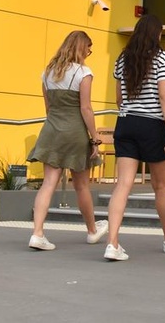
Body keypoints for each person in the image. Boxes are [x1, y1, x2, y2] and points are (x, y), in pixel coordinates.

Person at [103, 13, 165, 261]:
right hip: (153, 126)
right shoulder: (163, 57)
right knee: (160, 186)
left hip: (126, 123)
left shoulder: (123, 59)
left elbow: (119, 99)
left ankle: (112, 243)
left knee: (123, 185)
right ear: (157, 34)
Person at [27, 30, 108, 251]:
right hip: (75, 133)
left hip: (51, 130)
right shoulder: (84, 73)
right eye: (89, 48)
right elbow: (86, 108)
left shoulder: (47, 73)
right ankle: (92, 231)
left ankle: (37, 233)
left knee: (48, 183)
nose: (90, 52)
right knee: (81, 185)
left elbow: (49, 108)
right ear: (81, 47)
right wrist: (95, 138)